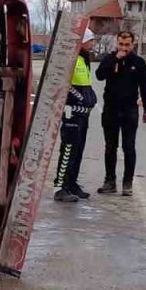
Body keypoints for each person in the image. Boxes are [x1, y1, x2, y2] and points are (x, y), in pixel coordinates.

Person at [94, 30, 146, 197]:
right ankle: (109, 181)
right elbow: (99, 75)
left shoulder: (138, 63)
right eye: (121, 44)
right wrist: (115, 59)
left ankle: (128, 183)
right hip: (111, 109)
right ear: (117, 43)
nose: (124, 48)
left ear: (132, 44)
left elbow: (145, 87)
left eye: (127, 45)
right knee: (110, 147)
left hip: (130, 110)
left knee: (129, 147)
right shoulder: (109, 59)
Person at [54, 31, 98, 203]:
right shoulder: (71, 59)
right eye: (90, 40)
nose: (93, 44)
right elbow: (64, 84)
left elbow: (85, 85)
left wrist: (90, 98)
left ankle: (72, 183)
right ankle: (60, 186)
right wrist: (80, 99)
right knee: (68, 149)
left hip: (82, 114)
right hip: (72, 113)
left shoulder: (84, 60)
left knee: (78, 150)